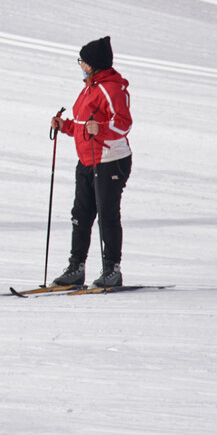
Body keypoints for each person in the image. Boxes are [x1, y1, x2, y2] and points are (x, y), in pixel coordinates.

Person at [50, 36, 133, 288]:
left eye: (83, 61)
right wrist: (64, 126)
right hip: (87, 160)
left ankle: (112, 271)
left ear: (94, 64)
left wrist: (101, 128)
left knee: (107, 216)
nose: (80, 65)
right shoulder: (89, 87)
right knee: (81, 216)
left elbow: (123, 123)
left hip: (110, 160)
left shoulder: (112, 88)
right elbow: (85, 125)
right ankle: (76, 268)